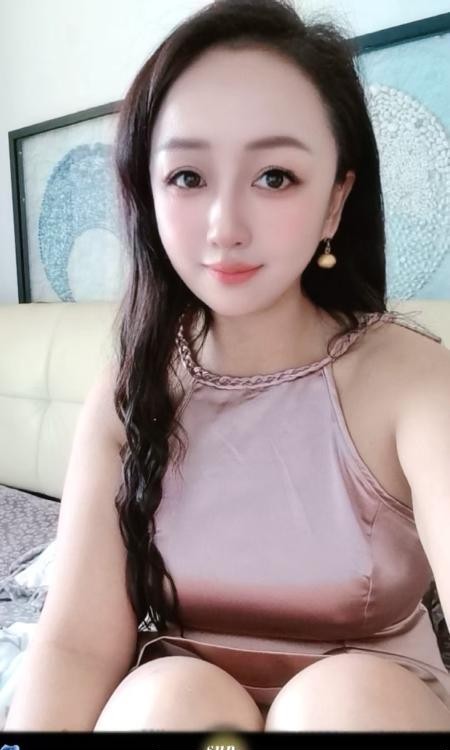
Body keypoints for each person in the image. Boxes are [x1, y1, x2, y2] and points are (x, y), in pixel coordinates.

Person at [5, 0, 450, 733]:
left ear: (336, 200)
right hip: (191, 719)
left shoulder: (415, 382)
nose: (225, 228)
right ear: (148, 191)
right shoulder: (130, 392)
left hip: (373, 709)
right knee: (169, 701)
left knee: (339, 706)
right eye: (187, 177)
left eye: (275, 176)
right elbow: (78, 645)